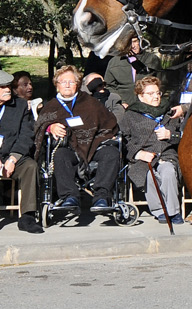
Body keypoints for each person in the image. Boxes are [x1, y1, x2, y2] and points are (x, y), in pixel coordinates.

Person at [35, 65, 119, 215]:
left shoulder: (90, 102)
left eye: (71, 82)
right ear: (57, 85)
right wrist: (50, 127)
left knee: (111, 153)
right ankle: (70, 196)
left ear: (78, 84)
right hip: (68, 148)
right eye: (63, 82)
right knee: (60, 155)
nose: (67, 85)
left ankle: (101, 197)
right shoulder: (51, 106)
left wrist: (106, 135)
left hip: (94, 146)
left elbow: (109, 122)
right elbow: (40, 125)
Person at [122, 75, 184, 224]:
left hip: (167, 154)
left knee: (168, 171)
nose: (156, 96)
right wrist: (138, 153)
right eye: (151, 94)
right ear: (140, 96)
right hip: (143, 158)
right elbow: (124, 139)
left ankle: (173, 212)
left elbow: (182, 136)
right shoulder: (131, 115)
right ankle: (160, 211)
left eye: (157, 93)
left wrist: (171, 135)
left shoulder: (169, 112)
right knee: (148, 175)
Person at [0, 70, 41, 232]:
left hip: (12, 154)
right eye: (2, 87)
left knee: (30, 166)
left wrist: (12, 159)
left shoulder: (20, 105)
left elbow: (26, 135)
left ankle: (27, 217)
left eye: (8, 85)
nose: (8, 89)